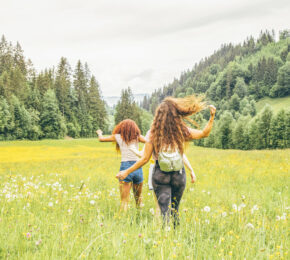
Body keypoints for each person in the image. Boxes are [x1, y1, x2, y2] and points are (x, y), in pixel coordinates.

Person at [116, 95, 216, 224]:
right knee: (175, 209)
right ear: (176, 114)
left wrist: (126, 172)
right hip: (178, 174)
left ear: (158, 115)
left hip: (160, 174)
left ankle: (165, 236)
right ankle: (174, 234)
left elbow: (144, 159)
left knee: (164, 211)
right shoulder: (180, 130)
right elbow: (204, 133)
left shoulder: (152, 133)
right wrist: (212, 117)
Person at [97, 119, 146, 212]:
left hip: (125, 167)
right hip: (137, 166)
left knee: (124, 201)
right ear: (135, 128)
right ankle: (140, 215)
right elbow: (149, 142)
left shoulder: (118, 137)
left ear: (121, 128)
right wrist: (141, 153)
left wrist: (100, 133)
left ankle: (123, 220)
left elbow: (101, 139)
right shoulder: (137, 137)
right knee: (138, 197)